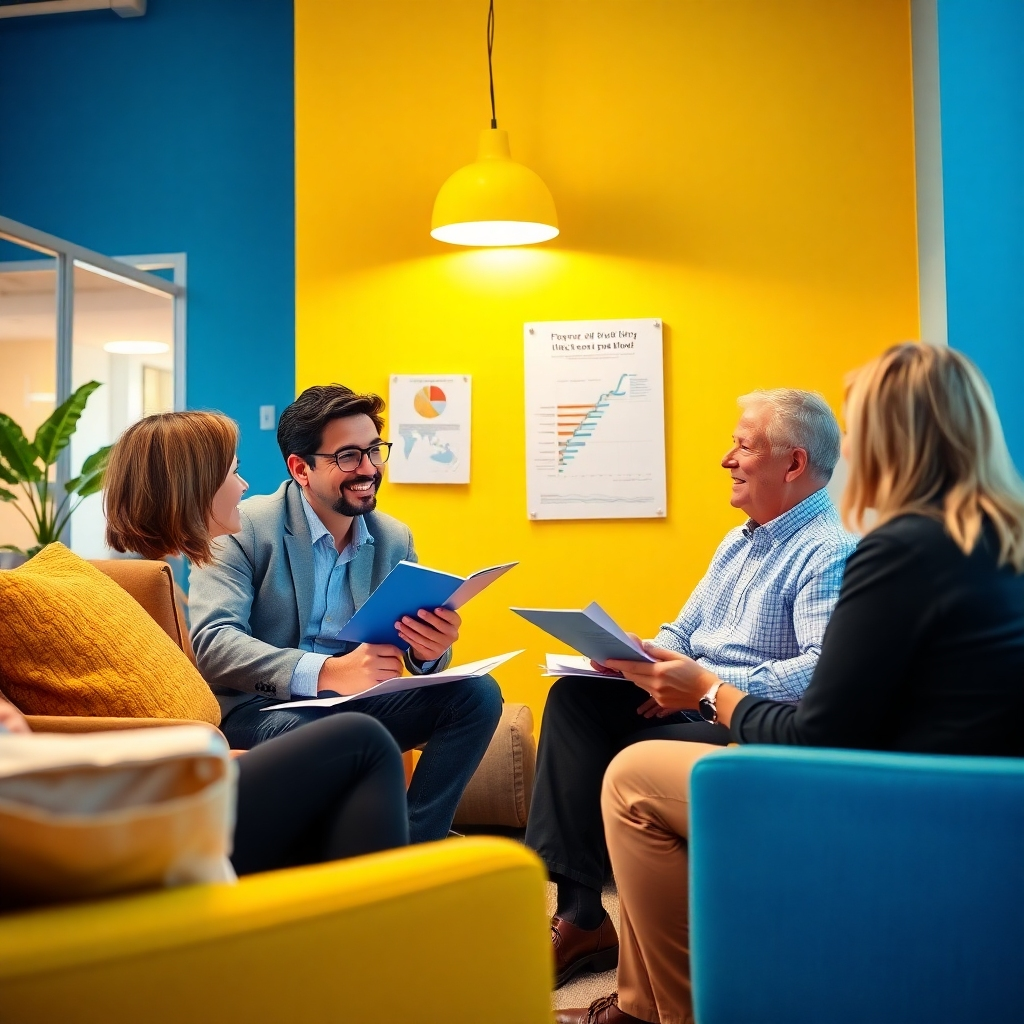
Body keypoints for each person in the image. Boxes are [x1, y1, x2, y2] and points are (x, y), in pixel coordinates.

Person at [558, 343, 1024, 1024]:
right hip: (973, 802)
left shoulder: (893, 552)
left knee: (633, 777)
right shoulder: (994, 543)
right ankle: (618, 970)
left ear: (891, 442)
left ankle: (671, 1013)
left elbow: (816, 728)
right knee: (597, 715)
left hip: (897, 805)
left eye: (857, 429)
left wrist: (708, 692)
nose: (848, 451)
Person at [527, 389, 856, 987]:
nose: (727, 459)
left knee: (630, 751)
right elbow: (685, 630)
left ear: (794, 463)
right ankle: (580, 914)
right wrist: (638, 655)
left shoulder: (828, 553)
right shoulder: (739, 541)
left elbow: (818, 672)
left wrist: (704, 685)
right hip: (690, 699)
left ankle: (617, 945)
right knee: (575, 698)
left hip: (747, 721)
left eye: (743, 446)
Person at [0, 410, 410, 880]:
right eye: (233, 471)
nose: (244, 486)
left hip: (195, 763)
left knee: (366, 741)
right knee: (360, 739)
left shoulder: (156, 585)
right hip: (166, 789)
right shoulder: (116, 590)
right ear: (195, 486)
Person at [188, 385, 502, 844]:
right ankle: (376, 844)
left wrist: (428, 651)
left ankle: (416, 842)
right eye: (348, 456)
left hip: (354, 706)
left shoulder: (393, 538)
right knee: (339, 732)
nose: (369, 469)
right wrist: (327, 672)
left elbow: (411, 651)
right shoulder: (242, 527)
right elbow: (214, 644)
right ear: (301, 468)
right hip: (262, 710)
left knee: (477, 695)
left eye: (374, 451)